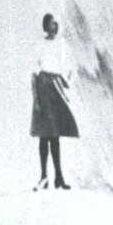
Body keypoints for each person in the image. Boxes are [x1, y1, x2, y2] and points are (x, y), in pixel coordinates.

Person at [31, 13, 79, 190]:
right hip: (43, 87)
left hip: (56, 88)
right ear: (46, 26)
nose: (56, 26)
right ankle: (44, 177)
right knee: (44, 135)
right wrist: (36, 98)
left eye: (56, 23)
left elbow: (71, 67)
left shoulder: (62, 45)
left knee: (55, 135)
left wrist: (65, 81)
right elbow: (33, 73)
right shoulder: (40, 45)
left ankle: (59, 177)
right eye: (52, 24)